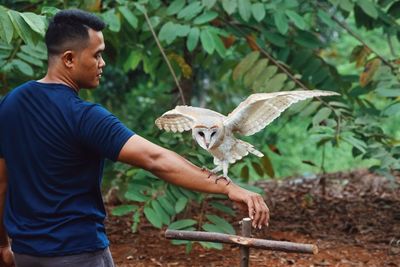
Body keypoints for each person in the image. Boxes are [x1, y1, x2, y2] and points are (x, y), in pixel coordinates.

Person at [0, 9, 269, 267]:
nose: (102, 63)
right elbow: (155, 159)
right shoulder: (84, 116)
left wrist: (3, 246)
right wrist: (227, 187)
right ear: (69, 59)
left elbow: (1, 182)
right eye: (97, 55)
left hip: (27, 253)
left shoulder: (10, 104)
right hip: (76, 253)